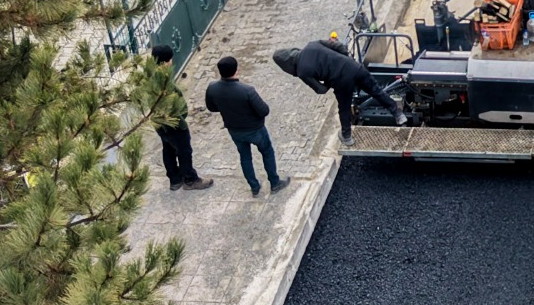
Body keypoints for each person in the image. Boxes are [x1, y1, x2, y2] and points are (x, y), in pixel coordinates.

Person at [204, 55, 284, 196]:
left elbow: (212, 108)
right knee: (267, 152)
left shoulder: (212, 88)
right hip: (256, 130)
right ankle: (274, 182)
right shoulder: (247, 90)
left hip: (234, 131)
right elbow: (264, 110)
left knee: (245, 157)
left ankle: (254, 187)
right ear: (236, 70)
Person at [273, 35, 370, 142]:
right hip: (353, 69)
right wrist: (346, 59)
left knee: (344, 108)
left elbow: (321, 90)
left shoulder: (302, 72)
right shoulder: (311, 46)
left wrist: (329, 80)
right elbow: (338, 45)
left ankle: (347, 136)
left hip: (341, 82)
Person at [146, 43, 212, 191]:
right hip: (172, 123)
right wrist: (182, 123)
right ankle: (190, 179)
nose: (172, 62)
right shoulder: (162, 81)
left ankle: (175, 179)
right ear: (164, 62)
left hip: (158, 123)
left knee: (168, 148)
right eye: (170, 60)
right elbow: (171, 106)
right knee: (184, 150)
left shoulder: (151, 75)